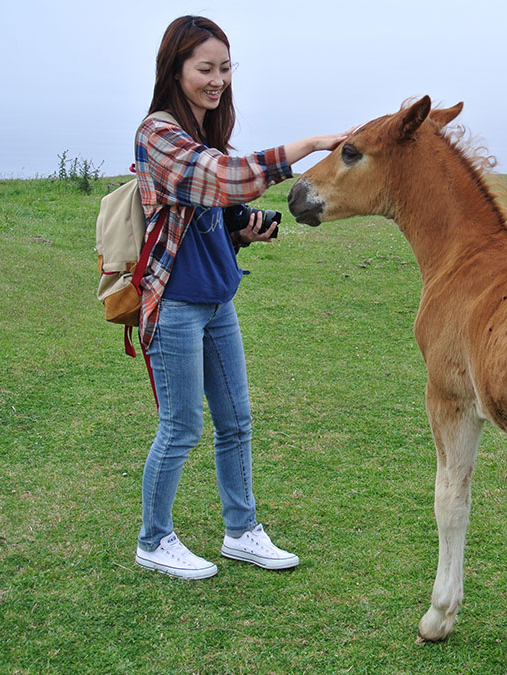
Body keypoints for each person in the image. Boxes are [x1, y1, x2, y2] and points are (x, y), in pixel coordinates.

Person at [132, 15, 348, 579]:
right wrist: (309, 145)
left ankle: (241, 531)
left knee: (236, 422)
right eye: (205, 68)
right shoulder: (158, 134)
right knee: (181, 428)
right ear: (175, 69)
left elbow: (213, 207)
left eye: (225, 68)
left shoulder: (206, 136)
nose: (217, 80)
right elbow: (224, 179)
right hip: (175, 305)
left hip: (217, 300)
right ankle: (153, 540)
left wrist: (239, 231)